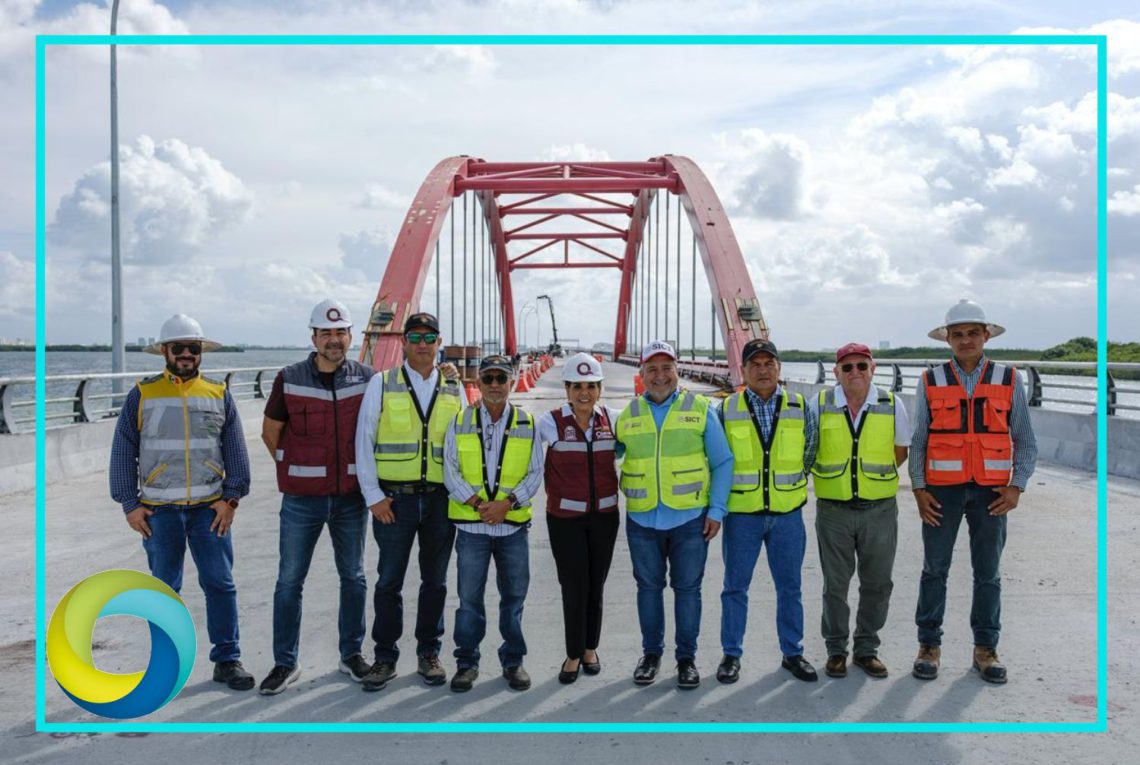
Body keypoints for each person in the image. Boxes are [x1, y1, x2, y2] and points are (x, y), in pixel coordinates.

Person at [109, 313, 253, 690]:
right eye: (179, 348)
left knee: (220, 585)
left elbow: (235, 450)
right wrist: (129, 504)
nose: (187, 353)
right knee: (164, 591)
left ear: (200, 351)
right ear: (165, 352)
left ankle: (228, 660)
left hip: (210, 510)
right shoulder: (142, 394)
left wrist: (231, 499)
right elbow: (123, 451)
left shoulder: (218, 393)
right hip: (159, 513)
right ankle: (166, 667)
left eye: (193, 347)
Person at [911, 299, 1037, 684]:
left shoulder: (1009, 379)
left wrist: (1017, 486)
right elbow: (919, 441)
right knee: (935, 569)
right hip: (941, 493)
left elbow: (1025, 441)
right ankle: (928, 646)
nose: (965, 340)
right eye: (958, 334)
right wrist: (918, 488)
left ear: (986, 336)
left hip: (991, 493)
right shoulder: (930, 380)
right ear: (947, 339)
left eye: (972, 333)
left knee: (988, 573)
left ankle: (986, 648)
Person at [257, 299, 375, 695]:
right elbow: (270, 433)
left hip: (351, 498)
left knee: (354, 577)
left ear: (351, 336)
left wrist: (446, 372)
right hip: (301, 500)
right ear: (313, 338)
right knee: (289, 580)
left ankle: (351, 655)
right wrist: (296, 467)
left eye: (340, 332)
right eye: (326, 333)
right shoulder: (289, 378)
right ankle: (285, 662)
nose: (334, 340)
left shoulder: (368, 378)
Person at [354, 312, 467, 692]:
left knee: (435, 582)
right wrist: (373, 497)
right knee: (389, 581)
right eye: (415, 337)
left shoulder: (453, 386)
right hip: (394, 502)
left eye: (429, 337)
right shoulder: (382, 383)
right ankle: (385, 657)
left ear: (439, 342)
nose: (422, 344)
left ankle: (429, 653)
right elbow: (364, 440)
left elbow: (464, 443)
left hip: (440, 502)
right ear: (403, 342)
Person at [615, 340, 733, 689]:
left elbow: (723, 461)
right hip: (642, 519)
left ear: (677, 370)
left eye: (667, 367)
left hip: (690, 519)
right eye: (652, 368)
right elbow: (606, 453)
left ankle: (686, 660)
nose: (660, 375)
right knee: (648, 589)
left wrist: (717, 510)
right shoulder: (628, 414)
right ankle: (651, 655)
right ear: (641, 373)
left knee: (688, 590)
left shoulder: (700, 408)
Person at [716, 339, 819, 684]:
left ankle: (793, 653)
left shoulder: (799, 406)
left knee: (790, 588)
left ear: (779, 368)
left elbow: (810, 449)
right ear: (743, 370)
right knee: (735, 588)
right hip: (742, 515)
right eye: (755, 364)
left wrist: (788, 483)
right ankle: (731, 655)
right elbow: (717, 458)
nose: (762, 370)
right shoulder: (726, 409)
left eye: (768, 363)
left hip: (787, 514)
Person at [443, 355, 544, 693]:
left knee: (513, 598)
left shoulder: (527, 422)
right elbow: (450, 470)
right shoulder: (460, 421)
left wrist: (506, 505)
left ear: (512, 382)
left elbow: (535, 473)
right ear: (479, 383)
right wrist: (479, 505)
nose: (495, 385)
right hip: (472, 529)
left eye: (502, 378)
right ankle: (466, 663)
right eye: (488, 378)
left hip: (511, 527)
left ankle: (513, 661)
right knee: (469, 600)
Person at [810, 342, 910, 679]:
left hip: (879, 510)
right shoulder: (819, 403)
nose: (855, 372)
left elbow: (900, 451)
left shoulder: (891, 404)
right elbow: (808, 446)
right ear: (836, 372)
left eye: (862, 366)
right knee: (835, 585)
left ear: (873, 369)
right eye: (847, 367)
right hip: (833, 510)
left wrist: (869, 479)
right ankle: (836, 650)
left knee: (878, 583)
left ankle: (867, 649)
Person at [536, 352, 623, 684]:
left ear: (600, 389)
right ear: (567, 390)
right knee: (574, 586)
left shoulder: (613, 420)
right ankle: (573, 653)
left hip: (604, 517)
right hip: (565, 520)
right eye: (577, 386)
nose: (584, 393)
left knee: (596, 585)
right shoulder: (549, 422)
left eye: (591, 386)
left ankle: (590, 648)